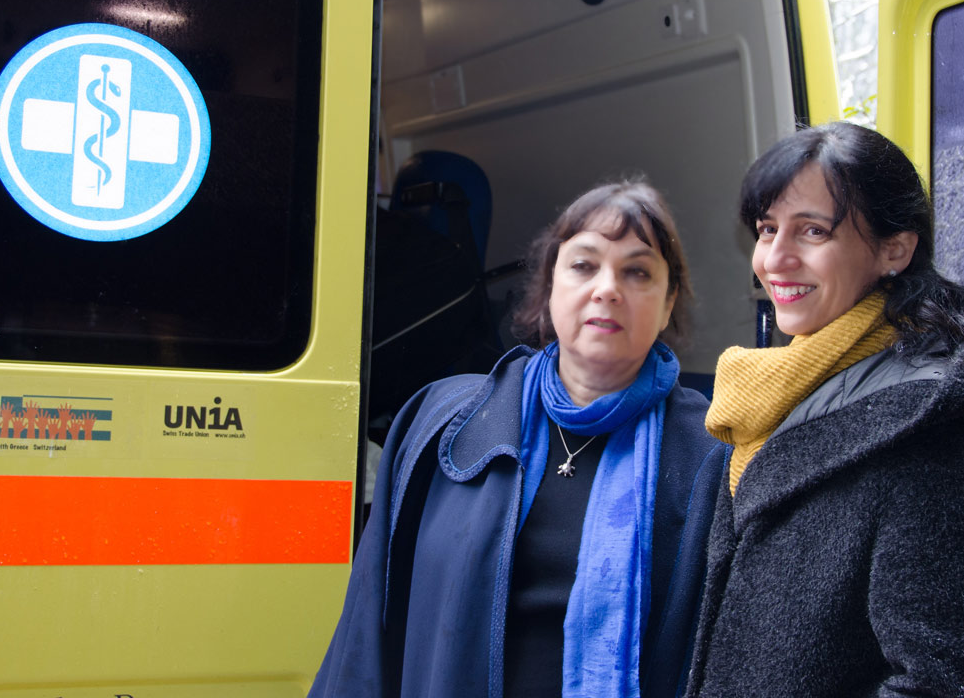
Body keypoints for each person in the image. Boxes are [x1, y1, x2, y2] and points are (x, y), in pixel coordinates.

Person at [685, 123, 964, 698]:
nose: (775, 259)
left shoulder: (939, 424)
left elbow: (962, 684)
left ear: (896, 249)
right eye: (768, 230)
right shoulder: (776, 389)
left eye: (813, 231)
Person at [311, 179, 728, 698]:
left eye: (637, 271)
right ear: (551, 286)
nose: (607, 288)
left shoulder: (713, 459)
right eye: (583, 265)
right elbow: (366, 636)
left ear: (668, 305)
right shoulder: (441, 422)